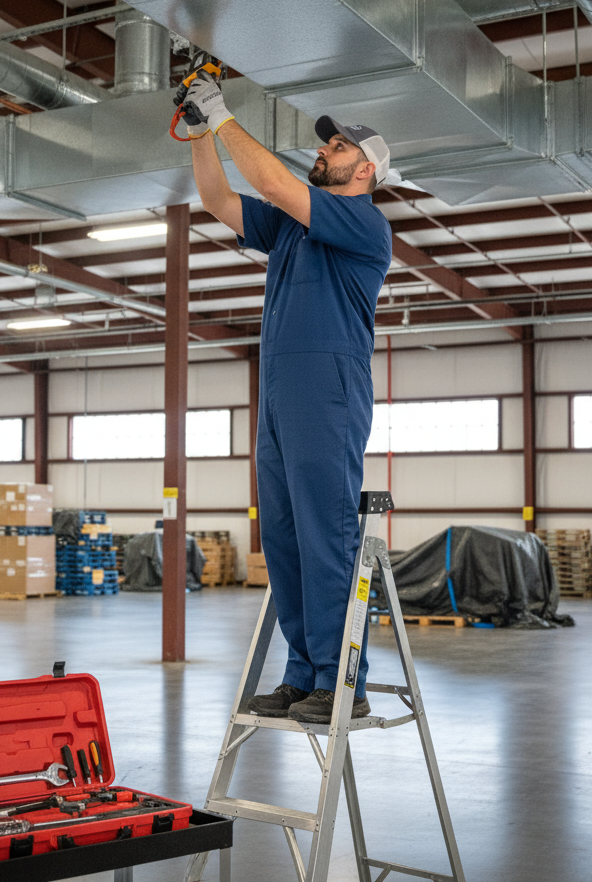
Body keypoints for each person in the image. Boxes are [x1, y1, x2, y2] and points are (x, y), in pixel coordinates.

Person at [182, 72, 392, 725]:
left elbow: (273, 182)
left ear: (367, 170)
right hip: (279, 386)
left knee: (326, 530)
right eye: (328, 144)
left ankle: (343, 679)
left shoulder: (362, 223)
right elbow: (219, 198)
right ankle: (305, 673)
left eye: (338, 147)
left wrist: (219, 112)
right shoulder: (296, 229)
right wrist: (197, 131)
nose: (325, 150)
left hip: (327, 383)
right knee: (284, 535)